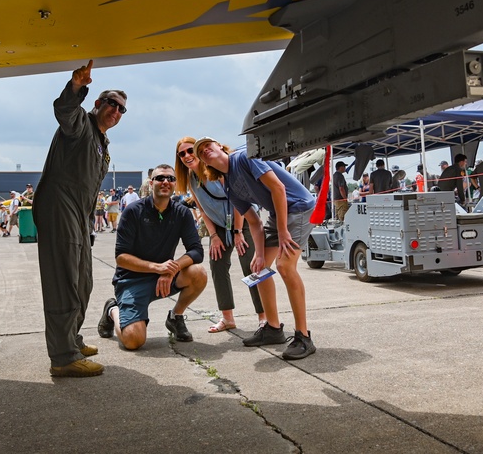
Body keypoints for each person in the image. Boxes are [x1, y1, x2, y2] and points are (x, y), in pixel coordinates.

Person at [35, 59, 125, 378]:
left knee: (83, 281)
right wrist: (77, 87)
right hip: (60, 207)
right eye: (111, 104)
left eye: (121, 109)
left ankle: (72, 339)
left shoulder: (103, 143)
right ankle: (62, 357)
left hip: (80, 215)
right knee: (65, 281)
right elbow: (64, 110)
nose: (116, 111)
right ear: (98, 103)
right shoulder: (80, 125)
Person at [196, 137, 318, 360]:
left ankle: (303, 336)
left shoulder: (245, 158)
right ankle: (272, 328)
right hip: (278, 214)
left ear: (219, 147)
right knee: (258, 271)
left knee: (285, 266)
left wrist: (282, 232)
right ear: (205, 165)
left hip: (299, 207)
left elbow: (278, 189)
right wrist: (259, 255)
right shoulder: (230, 187)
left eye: (208, 146)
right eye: (201, 152)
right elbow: (254, 222)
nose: (205, 151)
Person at [96, 164, 206, 349]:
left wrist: (172, 268)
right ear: (151, 182)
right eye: (160, 178)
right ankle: (112, 310)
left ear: (175, 184)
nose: (165, 182)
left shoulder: (182, 213)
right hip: (131, 280)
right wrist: (157, 268)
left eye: (170, 179)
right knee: (133, 341)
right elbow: (121, 257)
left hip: (164, 278)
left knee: (198, 272)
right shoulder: (133, 211)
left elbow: (196, 251)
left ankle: (175, 317)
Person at [174, 137, 264, 334]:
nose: (187, 156)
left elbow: (239, 199)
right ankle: (227, 318)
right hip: (221, 226)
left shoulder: (214, 170)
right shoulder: (190, 179)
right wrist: (214, 236)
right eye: (182, 154)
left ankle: (264, 318)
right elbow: (203, 210)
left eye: (190, 151)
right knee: (217, 264)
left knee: (251, 267)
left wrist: (239, 232)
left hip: (245, 219)